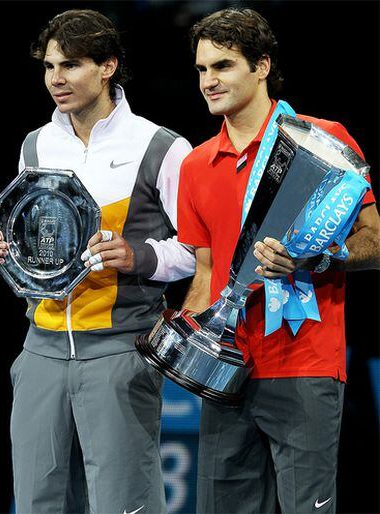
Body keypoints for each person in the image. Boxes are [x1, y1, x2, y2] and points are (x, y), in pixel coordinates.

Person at [0, 9, 194, 514]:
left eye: (71, 65)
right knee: (35, 502)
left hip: (119, 351)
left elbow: (196, 251)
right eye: (50, 66)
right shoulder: (36, 144)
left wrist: (136, 255)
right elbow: (33, 242)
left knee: (124, 504)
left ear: (108, 66)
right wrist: (3, 249)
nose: (56, 79)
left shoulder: (161, 146)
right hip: (40, 351)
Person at [177, 8, 380, 514]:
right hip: (225, 372)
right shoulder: (196, 164)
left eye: (222, 66)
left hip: (304, 364)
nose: (209, 81)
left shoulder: (322, 142)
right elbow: (205, 272)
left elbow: (374, 243)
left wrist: (316, 257)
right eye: (202, 69)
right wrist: (185, 341)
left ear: (262, 65)